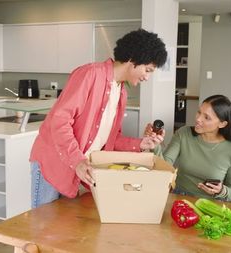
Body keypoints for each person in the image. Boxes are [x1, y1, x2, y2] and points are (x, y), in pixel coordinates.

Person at [30, 29, 168, 208]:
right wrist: (77, 161)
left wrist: (142, 144)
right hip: (53, 163)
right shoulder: (90, 74)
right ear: (133, 59)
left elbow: (111, 139)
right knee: (44, 228)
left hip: (76, 168)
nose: (147, 77)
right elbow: (59, 121)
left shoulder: (121, 92)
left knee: (63, 229)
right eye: (147, 70)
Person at [145, 95, 231, 201]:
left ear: (222, 124)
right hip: (179, 197)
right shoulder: (184, 134)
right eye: (199, 112)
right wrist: (155, 146)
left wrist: (221, 191)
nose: (198, 119)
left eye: (206, 117)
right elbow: (164, 167)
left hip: (211, 204)